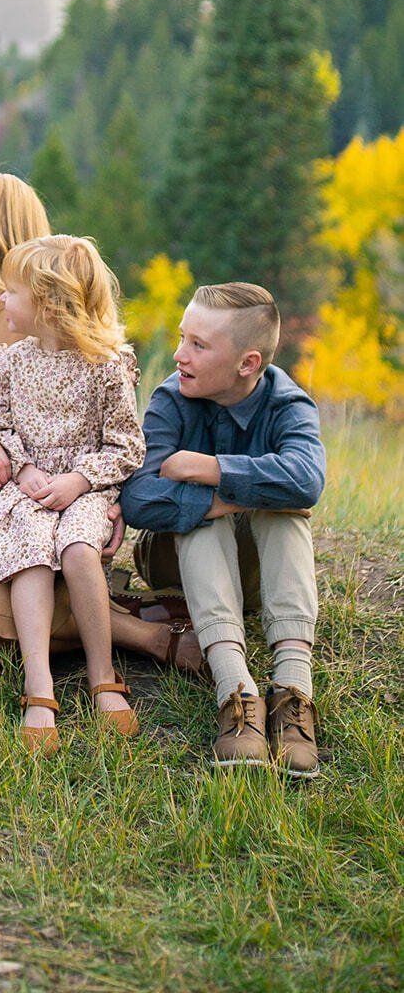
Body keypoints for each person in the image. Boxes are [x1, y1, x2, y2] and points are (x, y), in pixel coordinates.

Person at [0, 177, 202, 680]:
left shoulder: (43, 320)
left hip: (51, 503)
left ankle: (120, 642)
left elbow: (115, 429)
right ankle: (137, 629)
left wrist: (108, 495)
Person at [121, 283, 325, 774]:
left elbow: (308, 480)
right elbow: (137, 497)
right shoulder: (172, 397)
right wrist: (223, 500)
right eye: (182, 337)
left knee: (284, 512)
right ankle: (236, 692)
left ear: (248, 364)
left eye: (198, 345)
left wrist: (209, 468)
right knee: (201, 516)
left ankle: (293, 691)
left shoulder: (287, 403)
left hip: (255, 574)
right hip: (174, 564)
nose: (179, 354)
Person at [0, 236, 145, 753]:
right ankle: (38, 683)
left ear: (47, 304)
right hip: (31, 486)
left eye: (12, 291)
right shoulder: (14, 361)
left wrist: (80, 480)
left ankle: (102, 675)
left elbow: (127, 444)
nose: (2, 298)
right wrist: (22, 470)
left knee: (79, 548)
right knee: (29, 551)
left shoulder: (107, 363)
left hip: (84, 487)